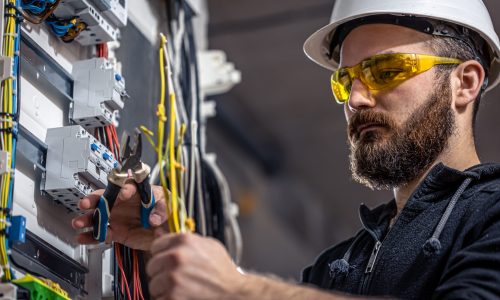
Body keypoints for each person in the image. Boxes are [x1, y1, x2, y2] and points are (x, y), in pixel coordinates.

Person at [72, 0, 500, 298]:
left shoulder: (489, 216)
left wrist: (237, 290)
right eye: (345, 80)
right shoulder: (338, 266)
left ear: (465, 83)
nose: (355, 100)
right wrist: (169, 249)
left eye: (385, 70)